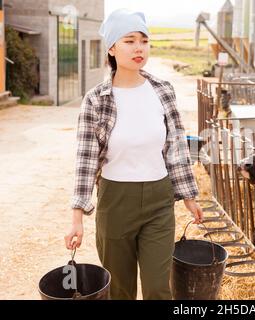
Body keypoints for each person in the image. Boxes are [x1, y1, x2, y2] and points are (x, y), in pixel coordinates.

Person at [64, 8, 203, 300]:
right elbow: (85, 160)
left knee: (157, 288)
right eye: (129, 41)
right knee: (120, 290)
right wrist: (77, 216)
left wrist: (189, 197)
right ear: (112, 48)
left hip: (159, 201)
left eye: (144, 40)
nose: (138, 47)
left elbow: (176, 147)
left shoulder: (163, 91)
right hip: (115, 203)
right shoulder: (96, 100)